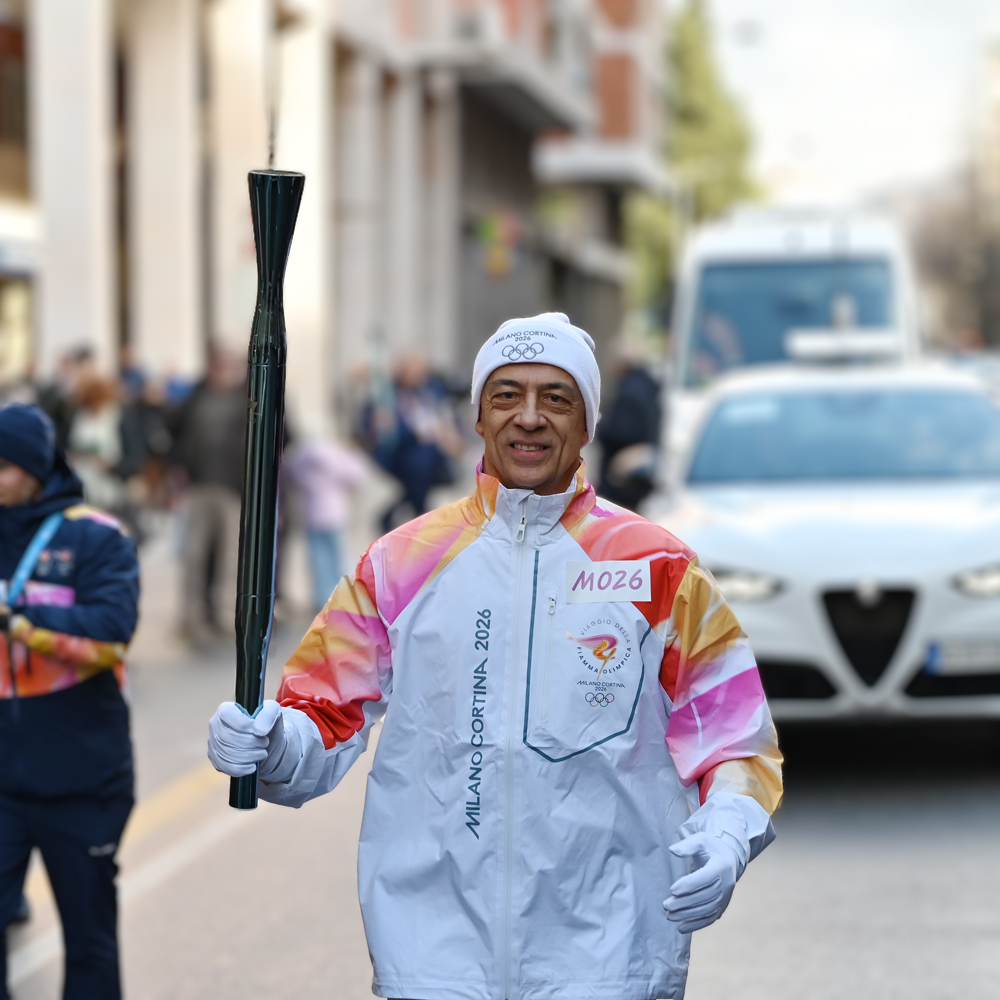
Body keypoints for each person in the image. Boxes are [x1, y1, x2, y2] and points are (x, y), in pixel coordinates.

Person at [208, 313, 783, 1000]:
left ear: (588, 422)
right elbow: (322, 718)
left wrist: (725, 835)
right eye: (507, 395)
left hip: (606, 954)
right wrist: (272, 743)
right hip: (433, 955)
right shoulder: (400, 564)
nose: (530, 417)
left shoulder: (658, 569)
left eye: (557, 397)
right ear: (478, 416)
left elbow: (737, 741)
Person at [0, 403, 139, 1000]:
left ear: (34, 467)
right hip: (3, 782)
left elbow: (110, 633)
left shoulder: (95, 536)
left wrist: (19, 618)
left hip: (82, 781)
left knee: (88, 943)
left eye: (4, 465)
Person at [168, 346, 246, 645]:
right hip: (199, 484)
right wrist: (179, 465)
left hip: (232, 486)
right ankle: (192, 614)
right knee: (194, 553)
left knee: (230, 555)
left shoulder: (245, 399)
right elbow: (172, 430)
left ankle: (226, 614)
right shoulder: (195, 398)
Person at [283, 437, 366, 614]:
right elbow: (356, 476)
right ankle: (344, 596)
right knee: (338, 557)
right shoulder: (336, 459)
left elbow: (291, 475)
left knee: (318, 560)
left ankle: (322, 598)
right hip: (335, 515)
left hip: (311, 516)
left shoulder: (304, 463)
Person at [597, 348, 662, 511]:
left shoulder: (629, 391)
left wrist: (599, 430)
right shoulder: (647, 386)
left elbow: (620, 431)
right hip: (642, 467)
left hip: (624, 475)